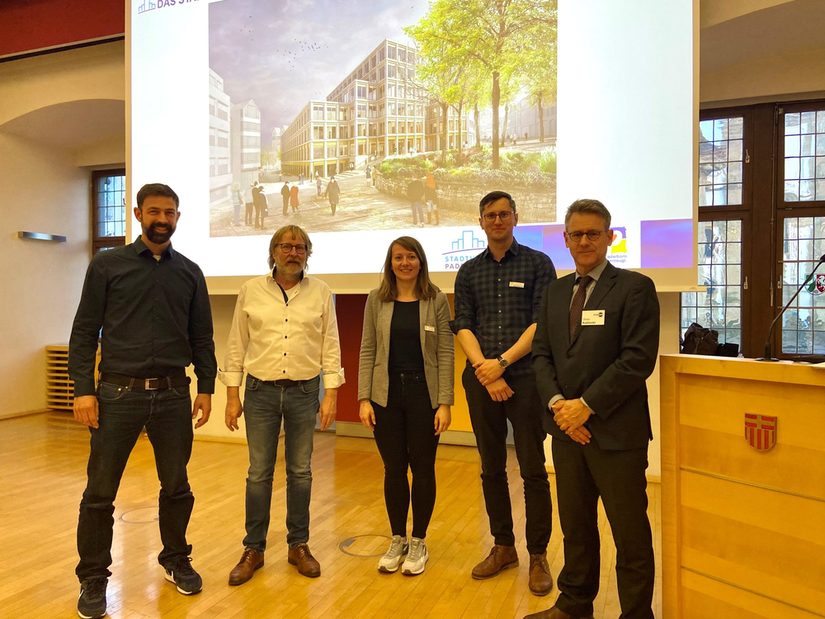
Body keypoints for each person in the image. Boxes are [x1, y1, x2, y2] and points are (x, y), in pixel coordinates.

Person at [68, 183, 217, 619]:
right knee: (99, 493)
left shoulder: (189, 272)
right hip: (117, 395)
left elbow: (201, 337)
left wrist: (205, 387)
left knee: (176, 486)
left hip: (173, 394)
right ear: (137, 214)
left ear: (177, 217)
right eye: (154, 211)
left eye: (170, 212)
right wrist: (82, 388)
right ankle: (94, 579)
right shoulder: (106, 265)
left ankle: (175, 559)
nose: (162, 219)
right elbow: (83, 332)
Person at [527, 199, 659, 619]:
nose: (584, 241)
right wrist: (559, 407)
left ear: (609, 237)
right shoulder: (555, 291)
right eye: (576, 234)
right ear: (565, 240)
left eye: (593, 233)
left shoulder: (635, 288)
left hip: (616, 435)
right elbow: (542, 355)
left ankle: (636, 613)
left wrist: (586, 406)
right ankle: (574, 604)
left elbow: (636, 360)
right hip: (568, 435)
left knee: (630, 535)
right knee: (576, 528)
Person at [222, 225, 344, 585]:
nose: (293, 252)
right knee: (258, 472)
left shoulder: (321, 291)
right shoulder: (250, 290)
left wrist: (331, 394)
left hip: (305, 392)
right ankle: (254, 549)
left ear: (308, 252)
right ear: (273, 251)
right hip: (259, 392)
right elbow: (236, 343)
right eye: (285, 246)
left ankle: (298, 545)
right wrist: (232, 394)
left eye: (300, 247)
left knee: (300, 472)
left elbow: (330, 343)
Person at [453, 190, 556, 597]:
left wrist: (503, 364)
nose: (497, 221)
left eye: (504, 214)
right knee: (491, 467)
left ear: (515, 218)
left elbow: (541, 323)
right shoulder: (468, 270)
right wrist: (485, 369)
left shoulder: (537, 263)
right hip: (481, 381)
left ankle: (538, 555)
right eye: (490, 215)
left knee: (533, 469)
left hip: (526, 378)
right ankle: (503, 546)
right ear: (480, 222)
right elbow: (462, 322)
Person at [357, 237, 453, 576]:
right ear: (390, 262)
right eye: (398, 257)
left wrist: (445, 403)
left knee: (423, 469)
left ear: (420, 261)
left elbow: (444, 352)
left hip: (424, 396)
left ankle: (419, 541)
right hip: (386, 397)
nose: (405, 263)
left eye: (411, 256)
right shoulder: (376, 299)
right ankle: (397, 538)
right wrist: (364, 398)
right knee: (394, 469)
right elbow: (367, 349)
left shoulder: (436, 299)